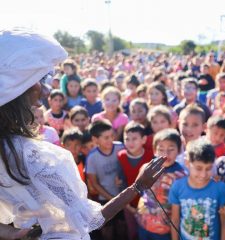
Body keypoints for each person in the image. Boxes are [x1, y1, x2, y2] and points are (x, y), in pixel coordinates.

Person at [0, 28, 165, 240]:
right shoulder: (39, 158)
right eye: (43, 78)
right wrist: (137, 187)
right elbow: (88, 220)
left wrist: (14, 233)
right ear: (24, 85)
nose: (48, 90)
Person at [169, 138, 225, 240]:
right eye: (198, 168)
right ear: (187, 163)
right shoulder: (177, 186)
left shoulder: (220, 188)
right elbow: (175, 220)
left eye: (208, 168)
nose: (203, 174)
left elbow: (224, 224)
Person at [135, 129, 186, 240]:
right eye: (161, 149)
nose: (166, 154)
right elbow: (139, 190)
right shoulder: (146, 168)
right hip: (143, 223)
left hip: (165, 229)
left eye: (171, 149)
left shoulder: (181, 176)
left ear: (179, 150)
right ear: (154, 150)